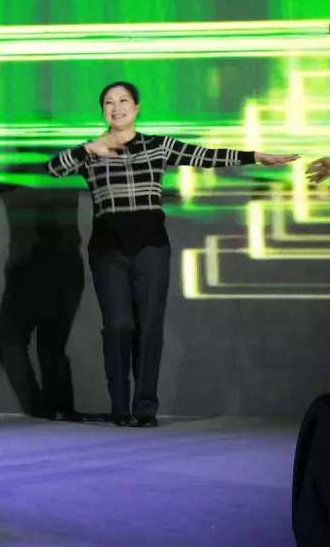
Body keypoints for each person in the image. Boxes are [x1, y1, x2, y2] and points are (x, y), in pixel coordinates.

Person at [47, 81, 295, 427]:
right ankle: (121, 408)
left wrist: (254, 156)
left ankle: (145, 409)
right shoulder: (92, 151)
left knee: (149, 328)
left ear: (136, 107)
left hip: (151, 248)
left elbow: (204, 156)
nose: (116, 108)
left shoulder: (157, 146)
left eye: (123, 101)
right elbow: (52, 168)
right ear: (102, 110)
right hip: (108, 251)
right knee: (118, 327)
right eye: (109, 103)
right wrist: (89, 148)